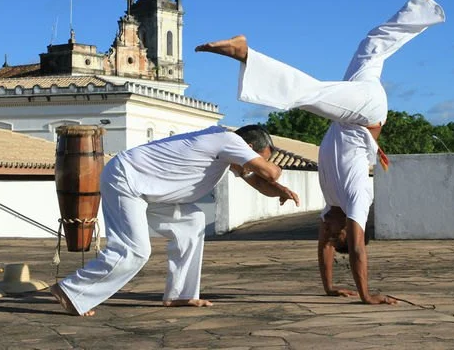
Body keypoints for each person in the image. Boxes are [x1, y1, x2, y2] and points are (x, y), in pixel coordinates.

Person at [195, 0, 444, 305]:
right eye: (332, 234)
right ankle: (247, 55)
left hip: (351, 109)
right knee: (311, 92)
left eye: (325, 233)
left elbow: (327, 249)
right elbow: (357, 250)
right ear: (346, 232)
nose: (324, 232)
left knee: (371, 44)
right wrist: (365, 295)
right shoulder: (358, 198)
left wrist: (329, 287)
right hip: (365, 112)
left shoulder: (331, 205)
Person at [50, 125, 300, 316]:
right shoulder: (228, 140)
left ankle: (180, 294)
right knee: (134, 250)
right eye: (256, 158)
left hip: (148, 193)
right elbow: (269, 172)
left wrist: (279, 190)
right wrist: (272, 172)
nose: (248, 167)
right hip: (125, 180)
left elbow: (259, 182)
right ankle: (71, 291)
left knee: (192, 220)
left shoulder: (226, 153)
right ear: (246, 147)